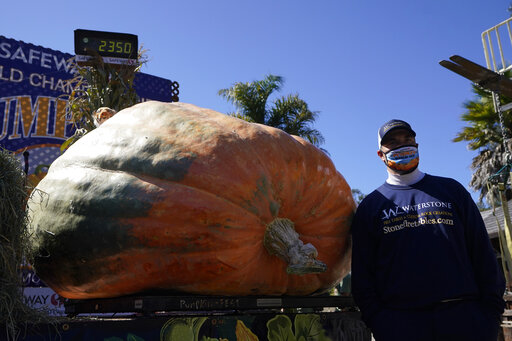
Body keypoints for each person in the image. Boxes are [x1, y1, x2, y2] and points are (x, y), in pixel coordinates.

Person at [351, 119, 506, 341]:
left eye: (408, 140)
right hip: (401, 324)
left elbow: (482, 252)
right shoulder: (371, 206)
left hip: (466, 320)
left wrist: (489, 314)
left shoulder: (451, 190)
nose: (402, 146)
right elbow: (363, 274)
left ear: (417, 146)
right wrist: (380, 322)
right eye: (393, 143)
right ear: (380, 154)